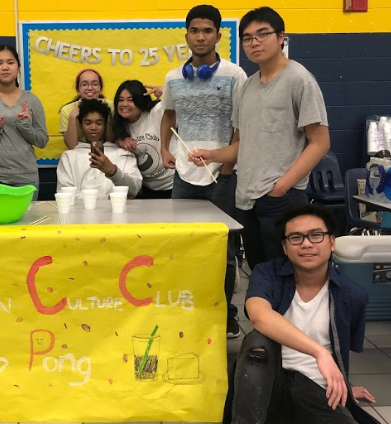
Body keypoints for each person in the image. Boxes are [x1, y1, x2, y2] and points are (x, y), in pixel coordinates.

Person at [188, 7, 330, 271]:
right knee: (261, 273)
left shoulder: (299, 80)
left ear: (281, 37)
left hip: (281, 198)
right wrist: (214, 155)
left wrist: (281, 187)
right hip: (247, 199)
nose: (254, 42)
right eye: (248, 37)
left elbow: (320, 142)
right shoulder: (247, 86)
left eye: (262, 34)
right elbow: (243, 144)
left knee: (289, 274)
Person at [224, 204, 378, 424]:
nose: (306, 244)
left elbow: (343, 349)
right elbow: (258, 314)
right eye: (295, 237)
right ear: (285, 248)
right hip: (268, 379)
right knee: (257, 342)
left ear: (332, 242)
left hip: (315, 386)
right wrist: (319, 353)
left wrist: (344, 383)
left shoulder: (352, 295)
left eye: (316, 235)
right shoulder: (268, 274)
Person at [160, 4, 247, 338]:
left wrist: (227, 167)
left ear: (218, 35)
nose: (200, 36)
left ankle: (224, 313)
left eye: (207, 30)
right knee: (185, 246)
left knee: (222, 251)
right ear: (186, 35)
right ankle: (190, 310)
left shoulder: (235, 75)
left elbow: (240, 127)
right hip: (184, 177)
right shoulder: (173, 77)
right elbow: (168, 115)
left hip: (222, 175)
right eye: (194, 30)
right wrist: (165, 149)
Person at [0, 44, 48, 200]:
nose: (5, 67)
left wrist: (25, 127)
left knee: (26, 223)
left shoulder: (32, 100)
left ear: (18, 67)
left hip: (26, 177)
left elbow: (42, 141)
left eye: (10, 62)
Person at [57, 99, 142, 199]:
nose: (93, 127)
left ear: (106, 125)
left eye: (99, 123)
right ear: (80, 126)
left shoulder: (123, 154)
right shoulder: (69, 157)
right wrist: (107, 198)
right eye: (88, 123)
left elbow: (134, 189)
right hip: (81, 214)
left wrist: (113, 171)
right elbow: (65, 195)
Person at [112, 80, 174, 199]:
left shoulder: (156, 112)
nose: (124, 104)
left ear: (140, 100)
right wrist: (120, 139)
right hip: (147, 188)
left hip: (173, 183)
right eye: (120, 100)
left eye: (130, 100)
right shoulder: (119, 126)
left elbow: (182, 106)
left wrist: (167, 92)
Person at [59, 68, 114, 150]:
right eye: (84, 84)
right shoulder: (67, 110)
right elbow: (72, 146)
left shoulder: (110, 105)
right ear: (78, 89)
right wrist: (73, 116)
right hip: (78, 153)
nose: (90, 88)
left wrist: (108, 113)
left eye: (94, 84)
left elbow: (111, 141)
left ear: (101, 88)